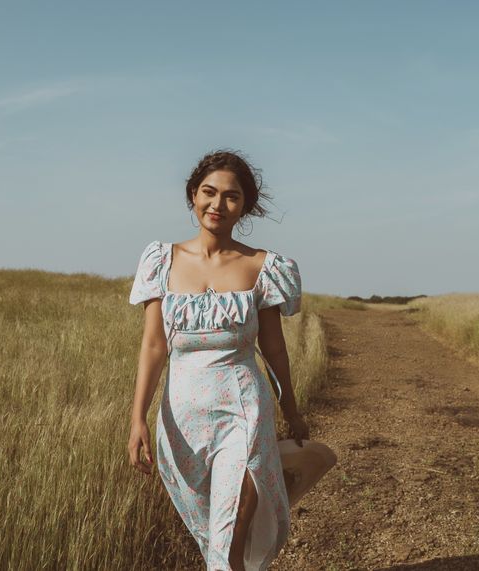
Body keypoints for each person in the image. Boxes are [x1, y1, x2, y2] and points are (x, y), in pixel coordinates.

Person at [126, 149, 310, 571]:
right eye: (209, 192)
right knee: (212, 536)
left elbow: (275, 348)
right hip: (181, 423)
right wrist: (137, 418)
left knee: (228, 540)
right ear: (193, 195)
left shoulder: (261, 266)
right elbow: (154, 346)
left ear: (245, 205)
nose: (218, 204)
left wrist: (292, 409)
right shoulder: (161, 262)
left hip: (242, 414)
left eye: (231, 196)